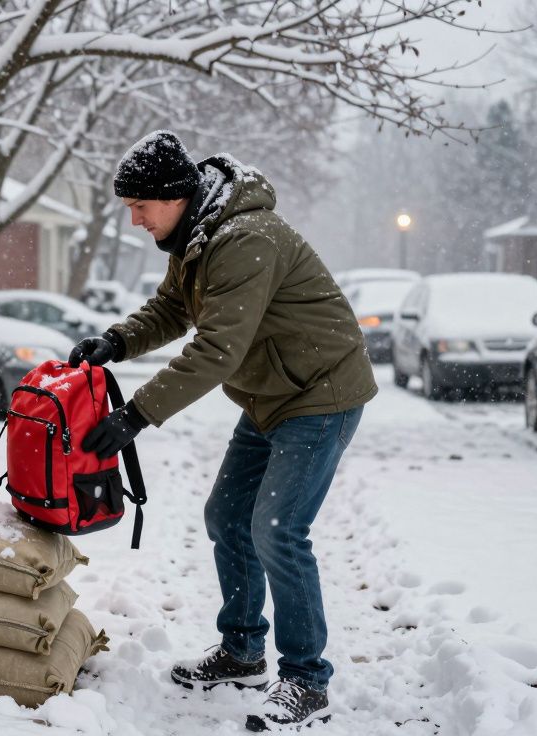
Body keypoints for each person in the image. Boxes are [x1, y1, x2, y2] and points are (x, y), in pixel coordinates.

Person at [70, 131, 377, 731]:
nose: (135, 220)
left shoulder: (245, 239)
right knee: (228, 517)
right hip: (270, 397)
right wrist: (117, 341)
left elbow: (216, 349)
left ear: (174, 196)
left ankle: (306, 679)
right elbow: (172, 309)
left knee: (278, 529)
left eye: (140, 206)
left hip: (319, 395)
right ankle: (241, 652)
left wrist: (135, 415)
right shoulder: (197, 237)